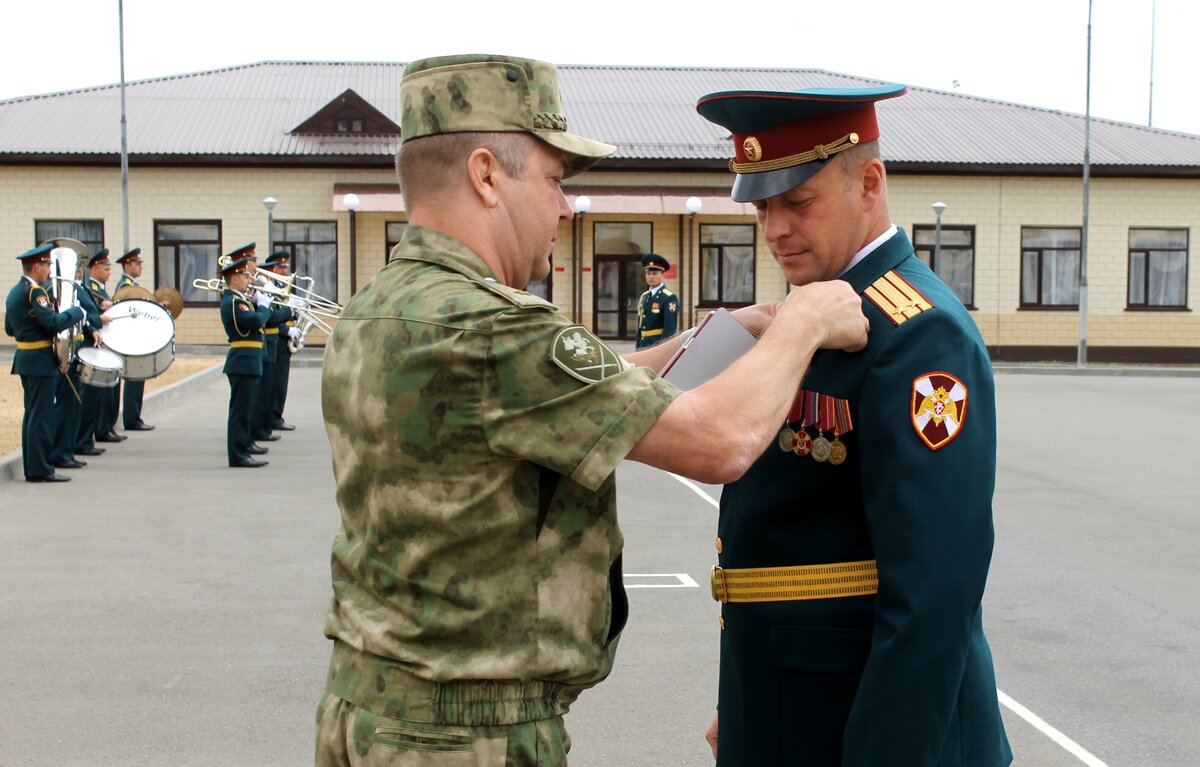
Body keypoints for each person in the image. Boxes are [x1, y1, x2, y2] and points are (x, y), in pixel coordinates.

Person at [314, 53, 869, 767]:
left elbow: (574, 385)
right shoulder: (492, 329)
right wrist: (805, 321)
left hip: (371, 708)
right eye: (553, 180)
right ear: (486, 175)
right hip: (463, 737)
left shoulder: (383, 306)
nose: (565, 206)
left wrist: (724, 333)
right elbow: (719, 440)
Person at [695, 84, 1012, 766]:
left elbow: (931, 598)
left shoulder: (919, 335)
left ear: (869, 182)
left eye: (797, 201)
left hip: (860, 730)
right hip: (790, 708)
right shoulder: (812, 315)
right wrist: (748, 697)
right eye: (761, 204)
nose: (774, 227)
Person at [5, 243, 87, 482]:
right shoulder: (35, 293)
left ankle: (34, 466)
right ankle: (40, 469)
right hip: (40, 361)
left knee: (32, 415)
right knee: (41, 417)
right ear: (37, 266)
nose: (49, 271)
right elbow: (52, 323)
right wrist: (76, 312)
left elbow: (10, 328)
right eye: (47, 265)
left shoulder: (14, 292)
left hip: (26, 358)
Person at [218, 249, 273, 468]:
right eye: (245, 276)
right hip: (243, 360)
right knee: (240, 411)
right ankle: (238, 454)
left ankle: (244, 446)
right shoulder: (233, 302)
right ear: (234, 278)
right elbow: (255, 321)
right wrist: (264, 306)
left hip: (249, 360)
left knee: (247, 408)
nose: (249, 279)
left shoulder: (241, 299)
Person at [84, 249, 125, 444]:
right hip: (96, 342)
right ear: (95, 268)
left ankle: (106, 426)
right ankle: (102, 428)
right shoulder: (90, 288)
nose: (109, 272)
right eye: (106, 268)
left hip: (105, 341)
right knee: (101, 391)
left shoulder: (100, 288)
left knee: (111, 389)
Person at [113, 247, 154, 431]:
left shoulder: (133, 286)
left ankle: (134, 416)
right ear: (126, 265)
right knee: (134, 377)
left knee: (138, 378)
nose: (140, 267)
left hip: (136, 338)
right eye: (136, 263)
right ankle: (131, 418)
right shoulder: (125, 288)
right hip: (130, 339)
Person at [263, 250, 298, 432]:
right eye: (281, 267)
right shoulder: (269, 289)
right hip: (276, 337)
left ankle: (276, 415)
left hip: (283, 338)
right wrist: (287, 329)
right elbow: (270, 318)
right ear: (272, 268)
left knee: (281, 382)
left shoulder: (283, 287)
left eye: (286, 267)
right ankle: (272, 417)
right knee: (275, 382)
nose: (285, 271)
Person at [634, 252, 678, 348]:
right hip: (643, 346)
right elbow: (640, 327)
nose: (651, 277)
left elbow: (669, 331)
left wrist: (662, 350)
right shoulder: (644, 297)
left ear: (663, 274)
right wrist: (638, 347)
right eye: (648, 273)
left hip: (656, 347)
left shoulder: (669, 298)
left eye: (654, 273)